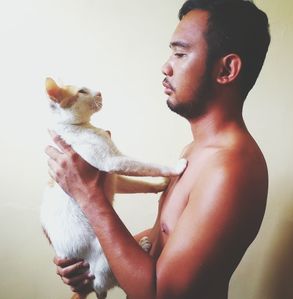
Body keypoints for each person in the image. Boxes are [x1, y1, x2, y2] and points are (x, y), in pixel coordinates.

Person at [46, 0, 271, 298]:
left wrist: (89, 197)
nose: (165, 66)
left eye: (179, 53)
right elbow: (157, 244)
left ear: (226, 68)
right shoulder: (195, 151)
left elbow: (159, 293)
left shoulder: (230, 169)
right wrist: (94, 263)